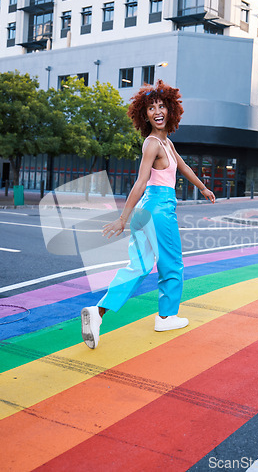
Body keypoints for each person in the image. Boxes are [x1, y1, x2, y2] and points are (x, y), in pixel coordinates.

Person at [81, 80, 215, 349]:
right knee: (172, 264)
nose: (157, 111)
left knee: (140, 265)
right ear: (145, 115)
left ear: (171, 111)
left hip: (148, 208)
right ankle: (165, 316)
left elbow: (184, 166)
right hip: (158, 208)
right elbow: (141, 182)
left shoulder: (167, 143)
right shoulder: (152, 143)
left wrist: (202, 187)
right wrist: (122, 218)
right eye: (151, 107)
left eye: (162, 106)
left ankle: (99, 312)